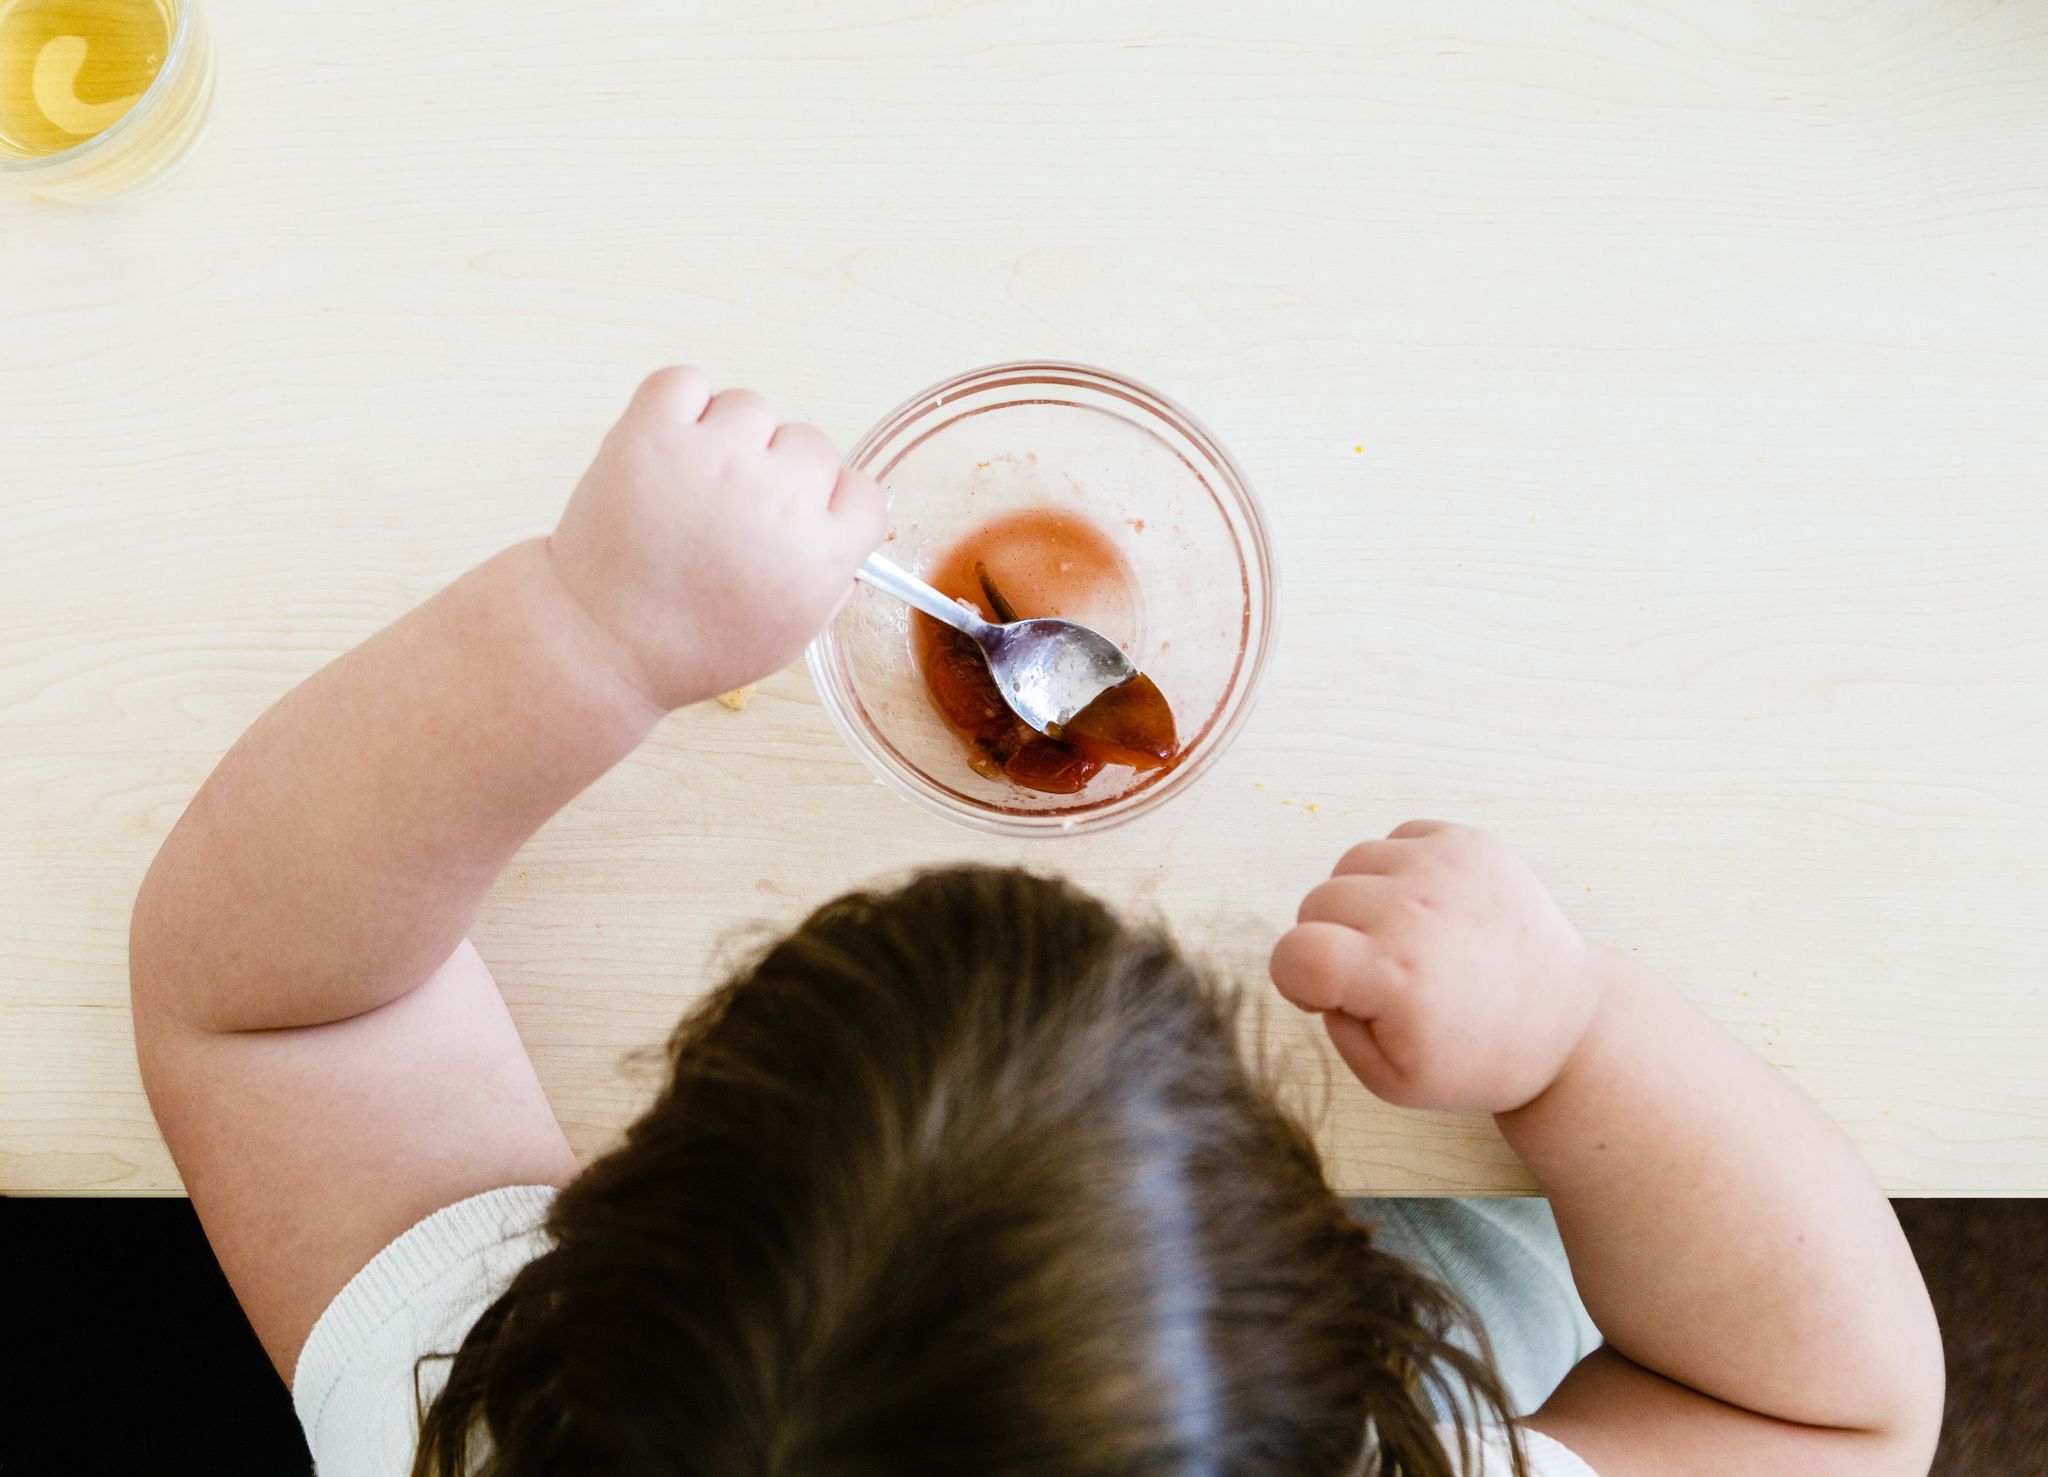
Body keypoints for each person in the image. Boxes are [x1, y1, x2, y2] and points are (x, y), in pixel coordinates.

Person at [129, 368, 1944, 1477]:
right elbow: (1834, 1420)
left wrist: (585, 635)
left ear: (571, 1273)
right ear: (1351, 1359)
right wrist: (1574, 1041)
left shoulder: (481, 1430)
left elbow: (269, 1007)